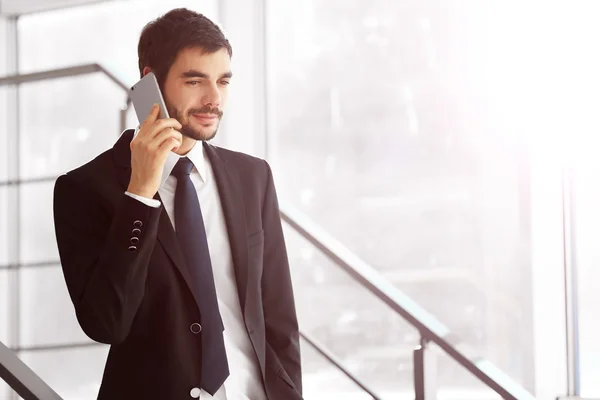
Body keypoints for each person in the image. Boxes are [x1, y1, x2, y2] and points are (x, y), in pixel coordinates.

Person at [52, 8, 302, 400]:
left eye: (222, 81)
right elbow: (106, 323)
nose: (213, 98)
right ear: (150, 82)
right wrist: (139, 193)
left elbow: (279, 317)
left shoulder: (252, 177)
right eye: (195, 80)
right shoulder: (85, 189)